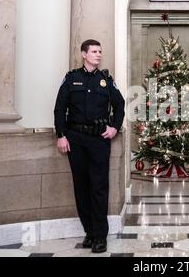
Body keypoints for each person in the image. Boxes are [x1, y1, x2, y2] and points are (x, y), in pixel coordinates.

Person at [54, 39, 125, 253]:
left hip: (99, 141)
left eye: (100, 51)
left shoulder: (106, 80)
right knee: (81, 187)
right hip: (75, 139)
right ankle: (90, 232)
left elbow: (120, 104)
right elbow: (59, 108)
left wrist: (114, 127)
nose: (98, 54)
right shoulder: (71, 79)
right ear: (84, 54)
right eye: (94, 51)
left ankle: (100, 237)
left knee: (99, 187)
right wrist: (61, 135)